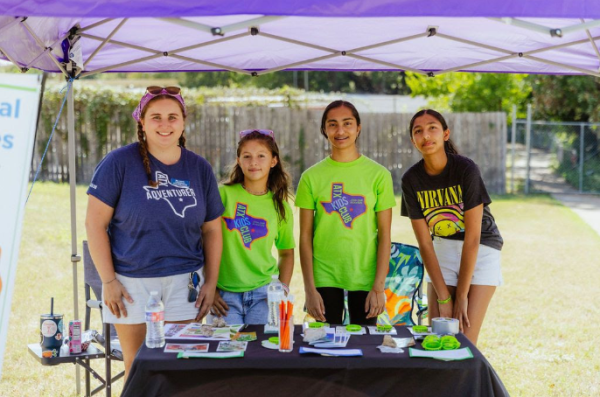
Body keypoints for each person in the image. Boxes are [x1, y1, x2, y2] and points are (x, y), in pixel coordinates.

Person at [85, 86, 224, 378]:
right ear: (142, 122)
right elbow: (94, 225)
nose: (165, 124)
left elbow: (212, 229)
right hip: (130, 286)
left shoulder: (199, 168)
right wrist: (108, 281)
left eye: (172, 117)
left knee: (184, 369)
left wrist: (210, 282)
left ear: (183, 122)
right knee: (138, 370)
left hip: (186, 285)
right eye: (156, 117)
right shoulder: (118, 163)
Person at [400, 109, 503, 346]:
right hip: (442, 250)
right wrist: (444, 298)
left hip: (481, 251)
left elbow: (473, 238)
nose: (426, 135)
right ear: (413, 140)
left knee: (464, 340)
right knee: (438, 336)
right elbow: (425, 242)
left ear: (446, 134)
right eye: (418, 131)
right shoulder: (411, 180)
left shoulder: (466, 169)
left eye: (432, 128)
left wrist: (463, 296)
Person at [295, 100, 396, 325]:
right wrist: (309, 289)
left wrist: (378, 287)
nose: (340, 131)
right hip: (324, 275)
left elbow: (385, 236)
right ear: (324, 130)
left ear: (358, 127)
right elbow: (304, 237)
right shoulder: (311, 177)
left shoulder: (379, 175)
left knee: (365, 349)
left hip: (365, 275)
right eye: (332, 124)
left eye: (347, 123)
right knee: (325, 350)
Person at [210, 129, 295, 324]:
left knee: (261, 352)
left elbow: (287, 253)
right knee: (227, 349)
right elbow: (203, 240)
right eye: (246, 156)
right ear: (238, 160)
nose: (253, 162)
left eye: (261, 156)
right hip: (224, 295)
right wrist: (211, 288)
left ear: (273, 161)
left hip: (264, 294)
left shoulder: (280, 206)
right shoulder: (222, 195)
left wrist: (282, 290)